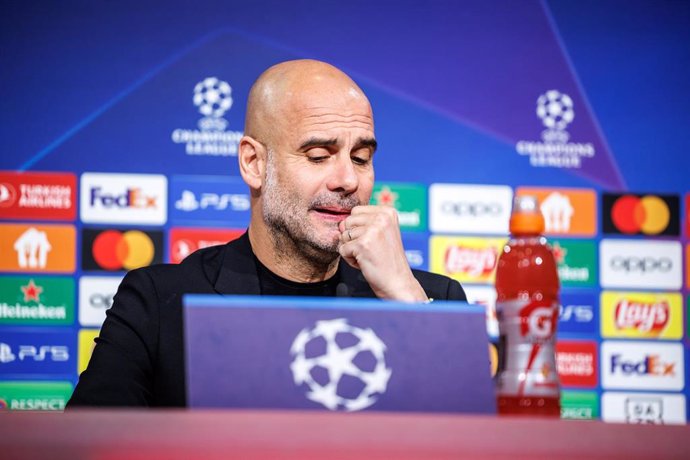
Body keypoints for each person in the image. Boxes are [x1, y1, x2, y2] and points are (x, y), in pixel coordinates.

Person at [68, 59, 466, 407]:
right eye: (318, 156)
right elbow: (85, 446)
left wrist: (410, 303)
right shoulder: (159, 303)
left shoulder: (434, 301)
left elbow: (473, 446)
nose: (348, 179)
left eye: (361, 158)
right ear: (254, 163)